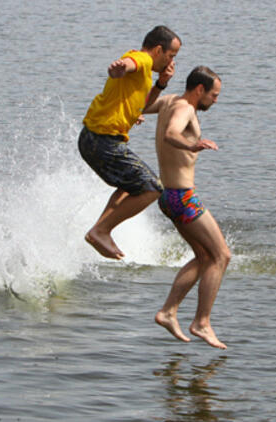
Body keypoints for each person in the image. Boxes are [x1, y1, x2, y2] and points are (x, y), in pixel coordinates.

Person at [144, 66, 230, 349]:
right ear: (199, 90)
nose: (215, 102)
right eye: (213, 95)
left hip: (168, 196)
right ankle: (201, 322)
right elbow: (170, 133)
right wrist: (192, 146)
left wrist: (137, 111)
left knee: (204, 256)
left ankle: (168, 312)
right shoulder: (186, 109)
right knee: (222, 255)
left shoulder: (168, 100)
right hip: (182, 197)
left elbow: (142, 104)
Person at [79, 25, 182, 260]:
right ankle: (100, 230)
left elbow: (142, 105)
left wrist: (161, 84)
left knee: (133, 185)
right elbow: (128, 64)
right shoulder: (142, 60)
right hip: (102, 141)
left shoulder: (145, 76)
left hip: (93, 139)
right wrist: (119, 68)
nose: (171, 62)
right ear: (158, 50)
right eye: (171, 56)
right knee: (152, 188)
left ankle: (100, 230)